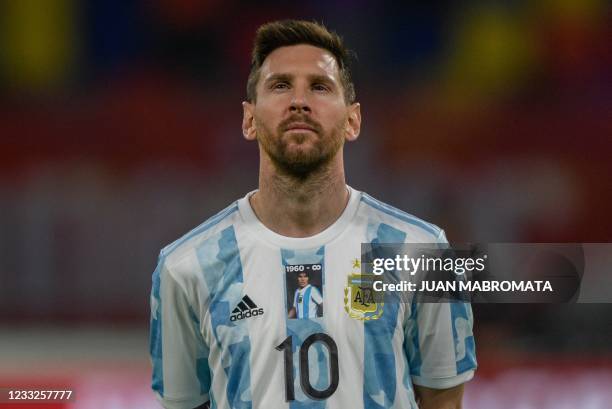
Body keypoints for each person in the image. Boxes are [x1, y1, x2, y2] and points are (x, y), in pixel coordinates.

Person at [149, 19, 476, 409]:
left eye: (319, 87)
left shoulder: (423, 252)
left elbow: (443, 399)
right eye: (280, 85)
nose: (299, 101)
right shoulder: (186, 267)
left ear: (353, 120)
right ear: (249, 119)